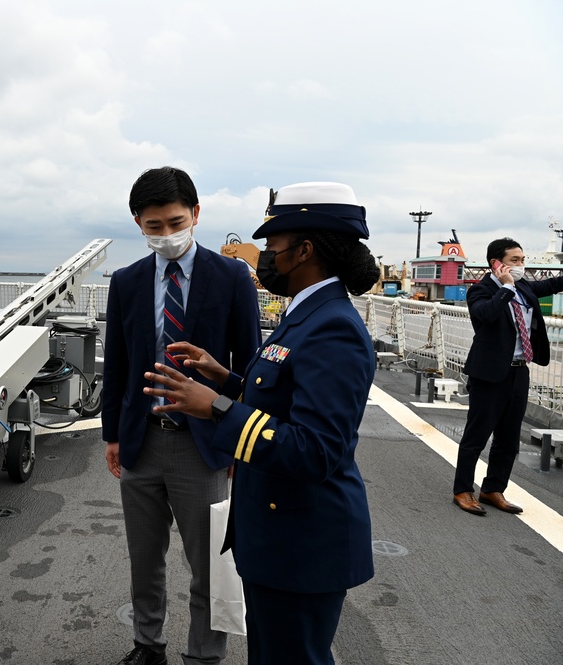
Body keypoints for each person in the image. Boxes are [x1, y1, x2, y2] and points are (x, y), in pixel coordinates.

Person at [143, 182, 378, 665]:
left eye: (272, 247)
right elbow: (281, 400)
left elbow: (316, 451)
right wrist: (224, 378)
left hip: (302, 544)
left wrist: (215, 408)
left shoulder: (333, 326)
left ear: (304, 250)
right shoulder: (307, 313)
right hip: (279, 536)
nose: (264, 258)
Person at [103, 167, 261, 665]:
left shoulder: (232, 276)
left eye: (175, 221)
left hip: (206, 442)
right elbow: (118, 364)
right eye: (154, 226)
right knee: (144, 560)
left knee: (209, 565)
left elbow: (249, 364)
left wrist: (240, 439)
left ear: (195, 214)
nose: (166, 234)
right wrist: (112, 435)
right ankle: (147, 646)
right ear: (138, 223)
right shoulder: (126, 282)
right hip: (142, 440)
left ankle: (203, 656)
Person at [452, 238, 563, 515]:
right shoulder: (480, 291)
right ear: (497, 263)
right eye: (515, 260)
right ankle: (463, 490)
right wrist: (507, 288)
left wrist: (516, 286)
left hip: (518, 371)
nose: (521, 265)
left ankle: (493, 489)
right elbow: (485, 316)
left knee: (509, 438)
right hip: (489, 373)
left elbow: (552, 285)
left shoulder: (526, 287)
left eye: (522, 260)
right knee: (476, 436)